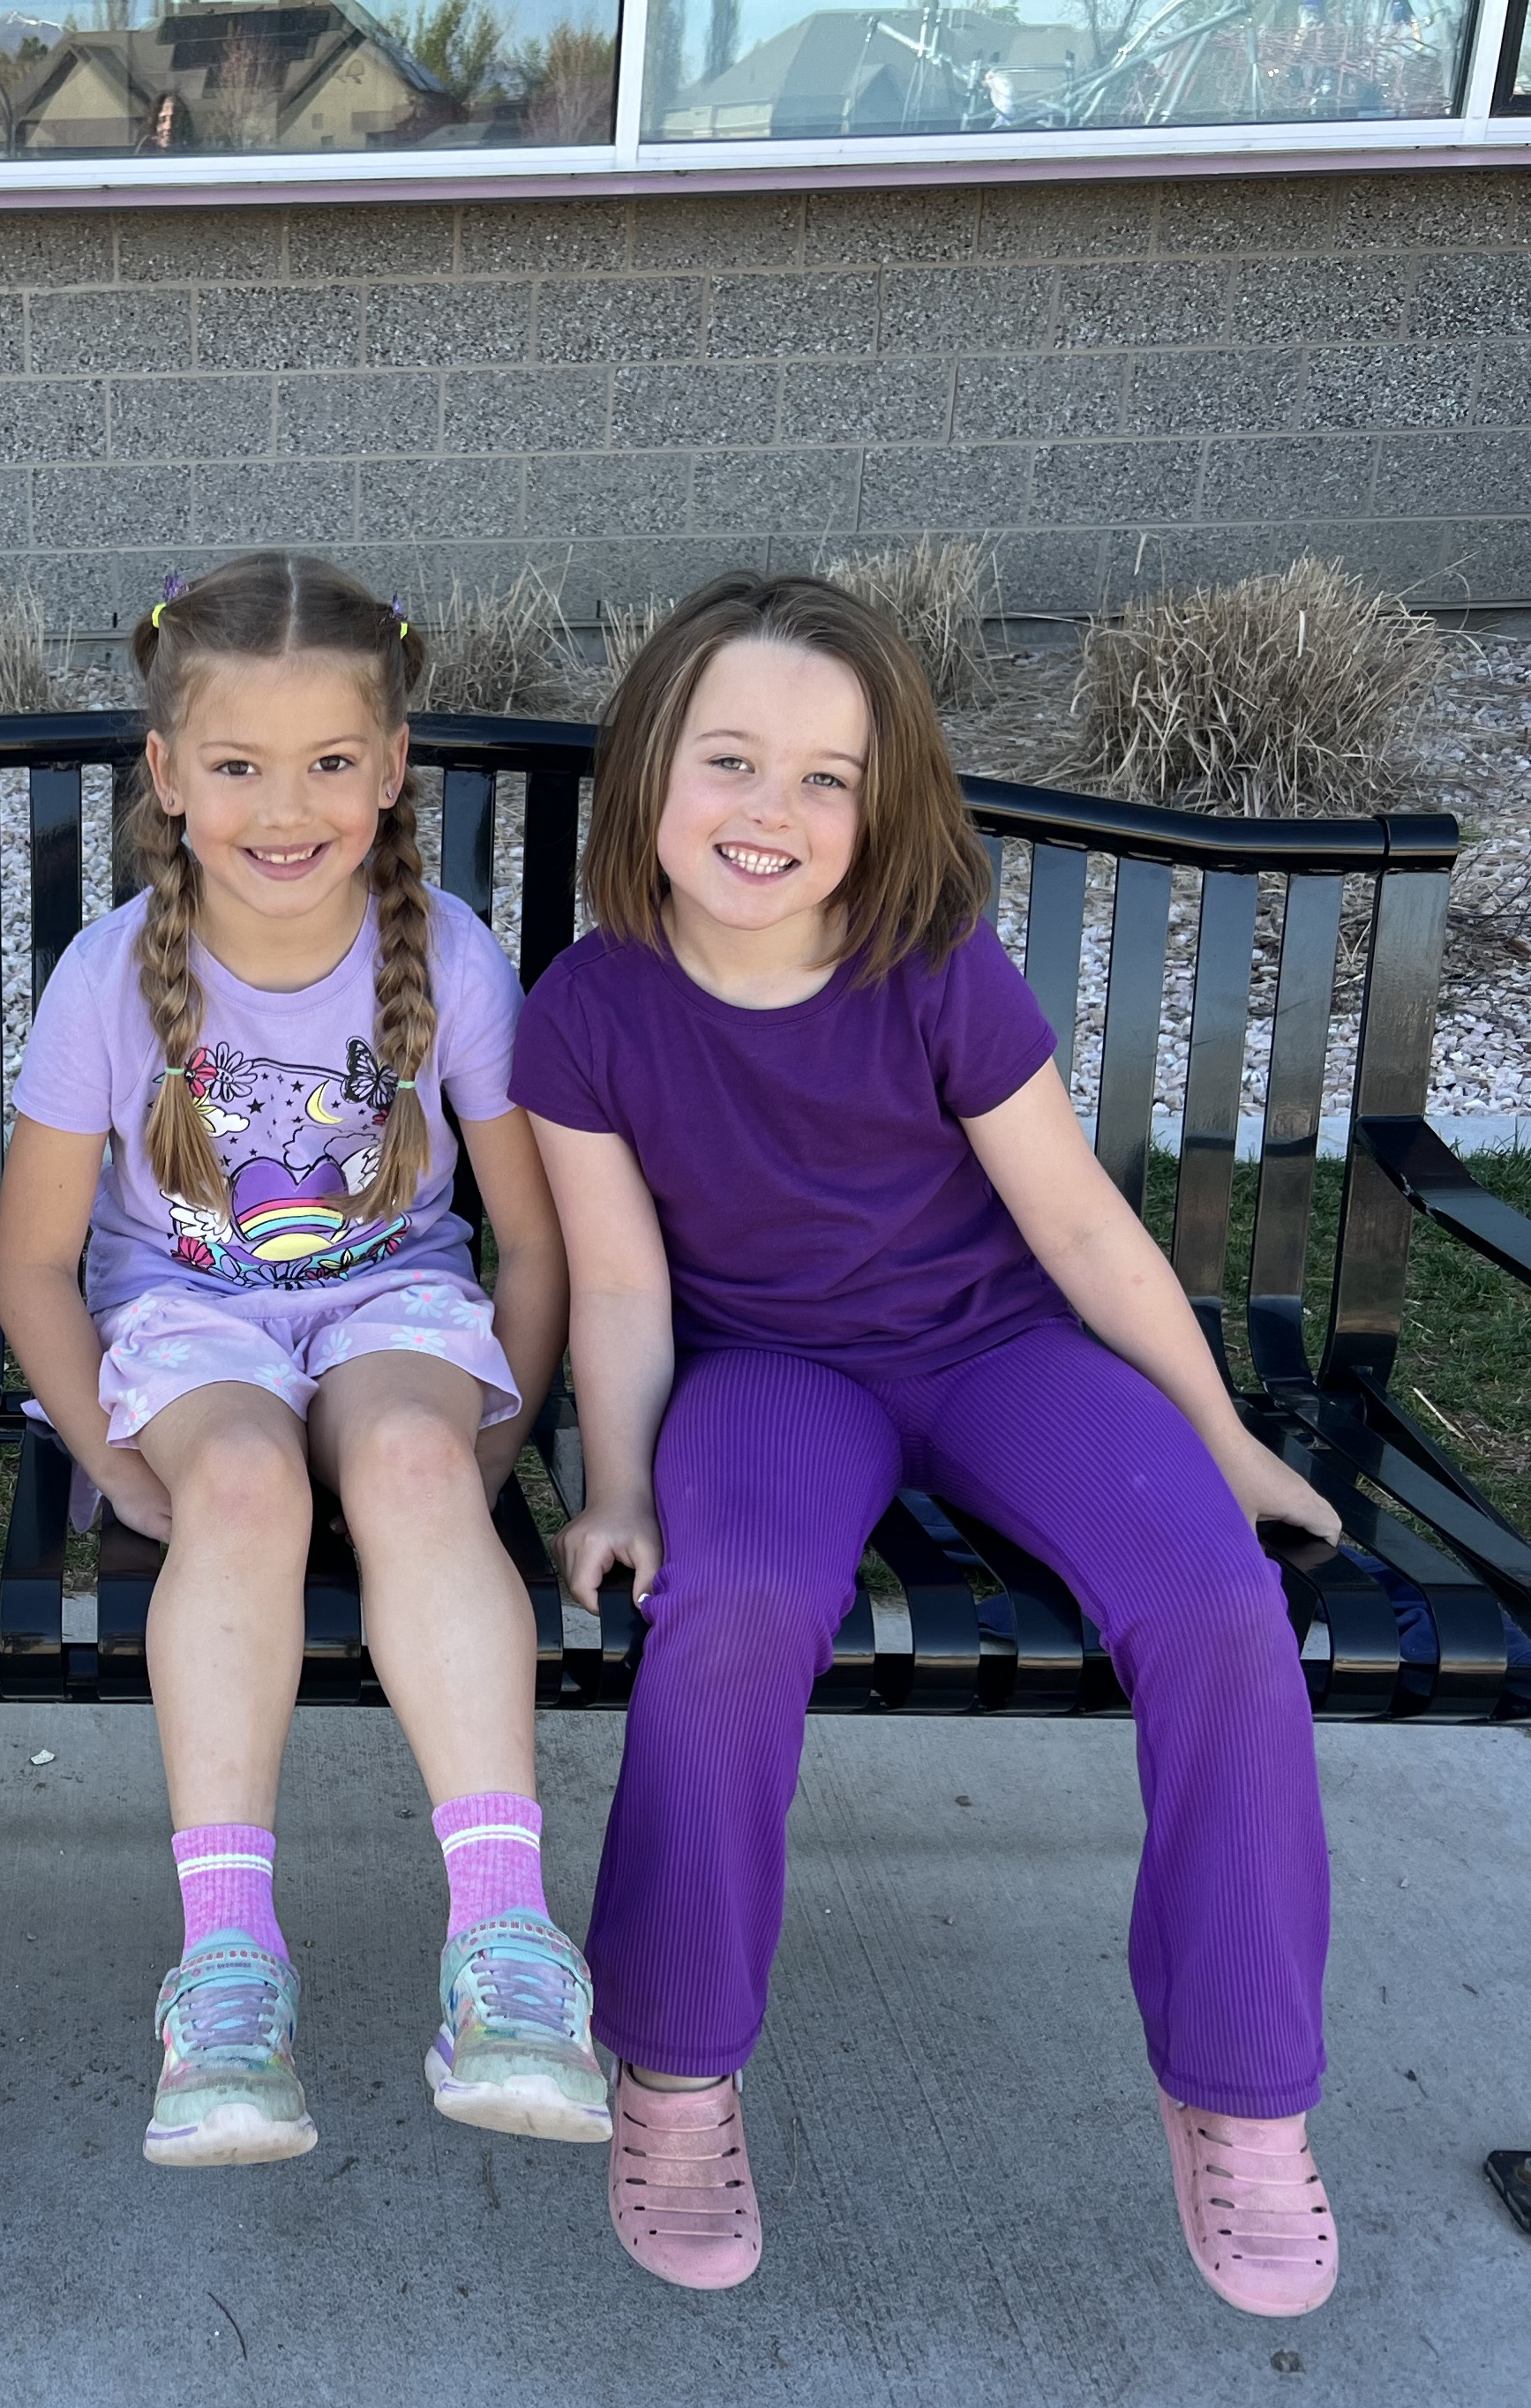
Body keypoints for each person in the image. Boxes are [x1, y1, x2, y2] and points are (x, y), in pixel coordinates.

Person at [514, 573, 1349, 2315]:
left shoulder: (932, 974)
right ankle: (674, 2066)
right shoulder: (589, 1011)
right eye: (731, 759)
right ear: (648, 767)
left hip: (996, 1355)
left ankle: (1244, 2092)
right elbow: (620, 1279)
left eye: (827, 778)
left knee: (1217, 1603)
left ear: (883, 806)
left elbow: (1086, 1231)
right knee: (735, 1609)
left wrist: (1223, 1443)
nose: (772, 810)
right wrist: (617, 1486)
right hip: (771, 1379)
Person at [0, 550, 604, 2172]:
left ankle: (507, 1946)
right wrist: (112, 1458)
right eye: (240, 765)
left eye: (332, 761)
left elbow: (532, 1241)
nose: (287, 808)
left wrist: (488, 1444)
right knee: (247, 1488)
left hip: (391, 1303)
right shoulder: (111, 978)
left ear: (393, 768)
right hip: (185, 1323)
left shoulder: (448, 958)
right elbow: (34, 1265)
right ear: (167, 775)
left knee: (407, 1462)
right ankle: (228, 1972)